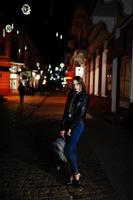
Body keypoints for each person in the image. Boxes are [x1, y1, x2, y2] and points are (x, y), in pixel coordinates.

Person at [59, 75, 89, 187]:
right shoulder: (71, 94)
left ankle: (76, 174)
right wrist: (62, 127)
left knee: (68, 150)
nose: (75, 86)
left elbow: (81, 114)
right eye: (74, 84)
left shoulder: (85, 97)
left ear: (81, 84)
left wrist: (71, 127)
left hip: (78, 125)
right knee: (73, 151)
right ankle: (73, 174)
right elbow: (66, 111)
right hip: (68, 124)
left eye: (77, 84)